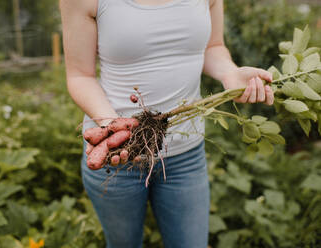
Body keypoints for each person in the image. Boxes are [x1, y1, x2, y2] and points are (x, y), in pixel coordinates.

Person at [59, 0, 274, 247]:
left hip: (186, 156)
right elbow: (79, 75)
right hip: (117, 155)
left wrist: (230, 73)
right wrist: (115, 126)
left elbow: (212, 47)